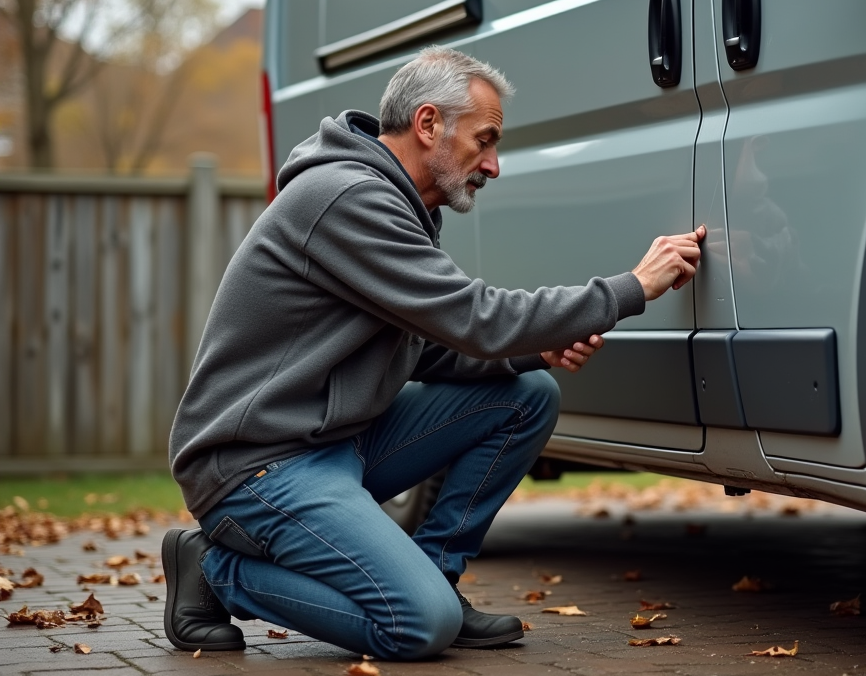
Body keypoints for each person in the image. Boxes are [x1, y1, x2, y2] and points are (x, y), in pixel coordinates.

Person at [163, 46, 705, 660]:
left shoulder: (399, 204)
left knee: (525, 397)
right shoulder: (346, 199)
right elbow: (474, 318)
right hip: (257, 464)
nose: (494, 164)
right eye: (485, 140)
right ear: (427, 125)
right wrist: (633, 287)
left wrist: (535, 354)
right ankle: (213, 569)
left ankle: (435, 573)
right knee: (416, 626)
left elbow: (427, 352)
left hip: (333, 442)